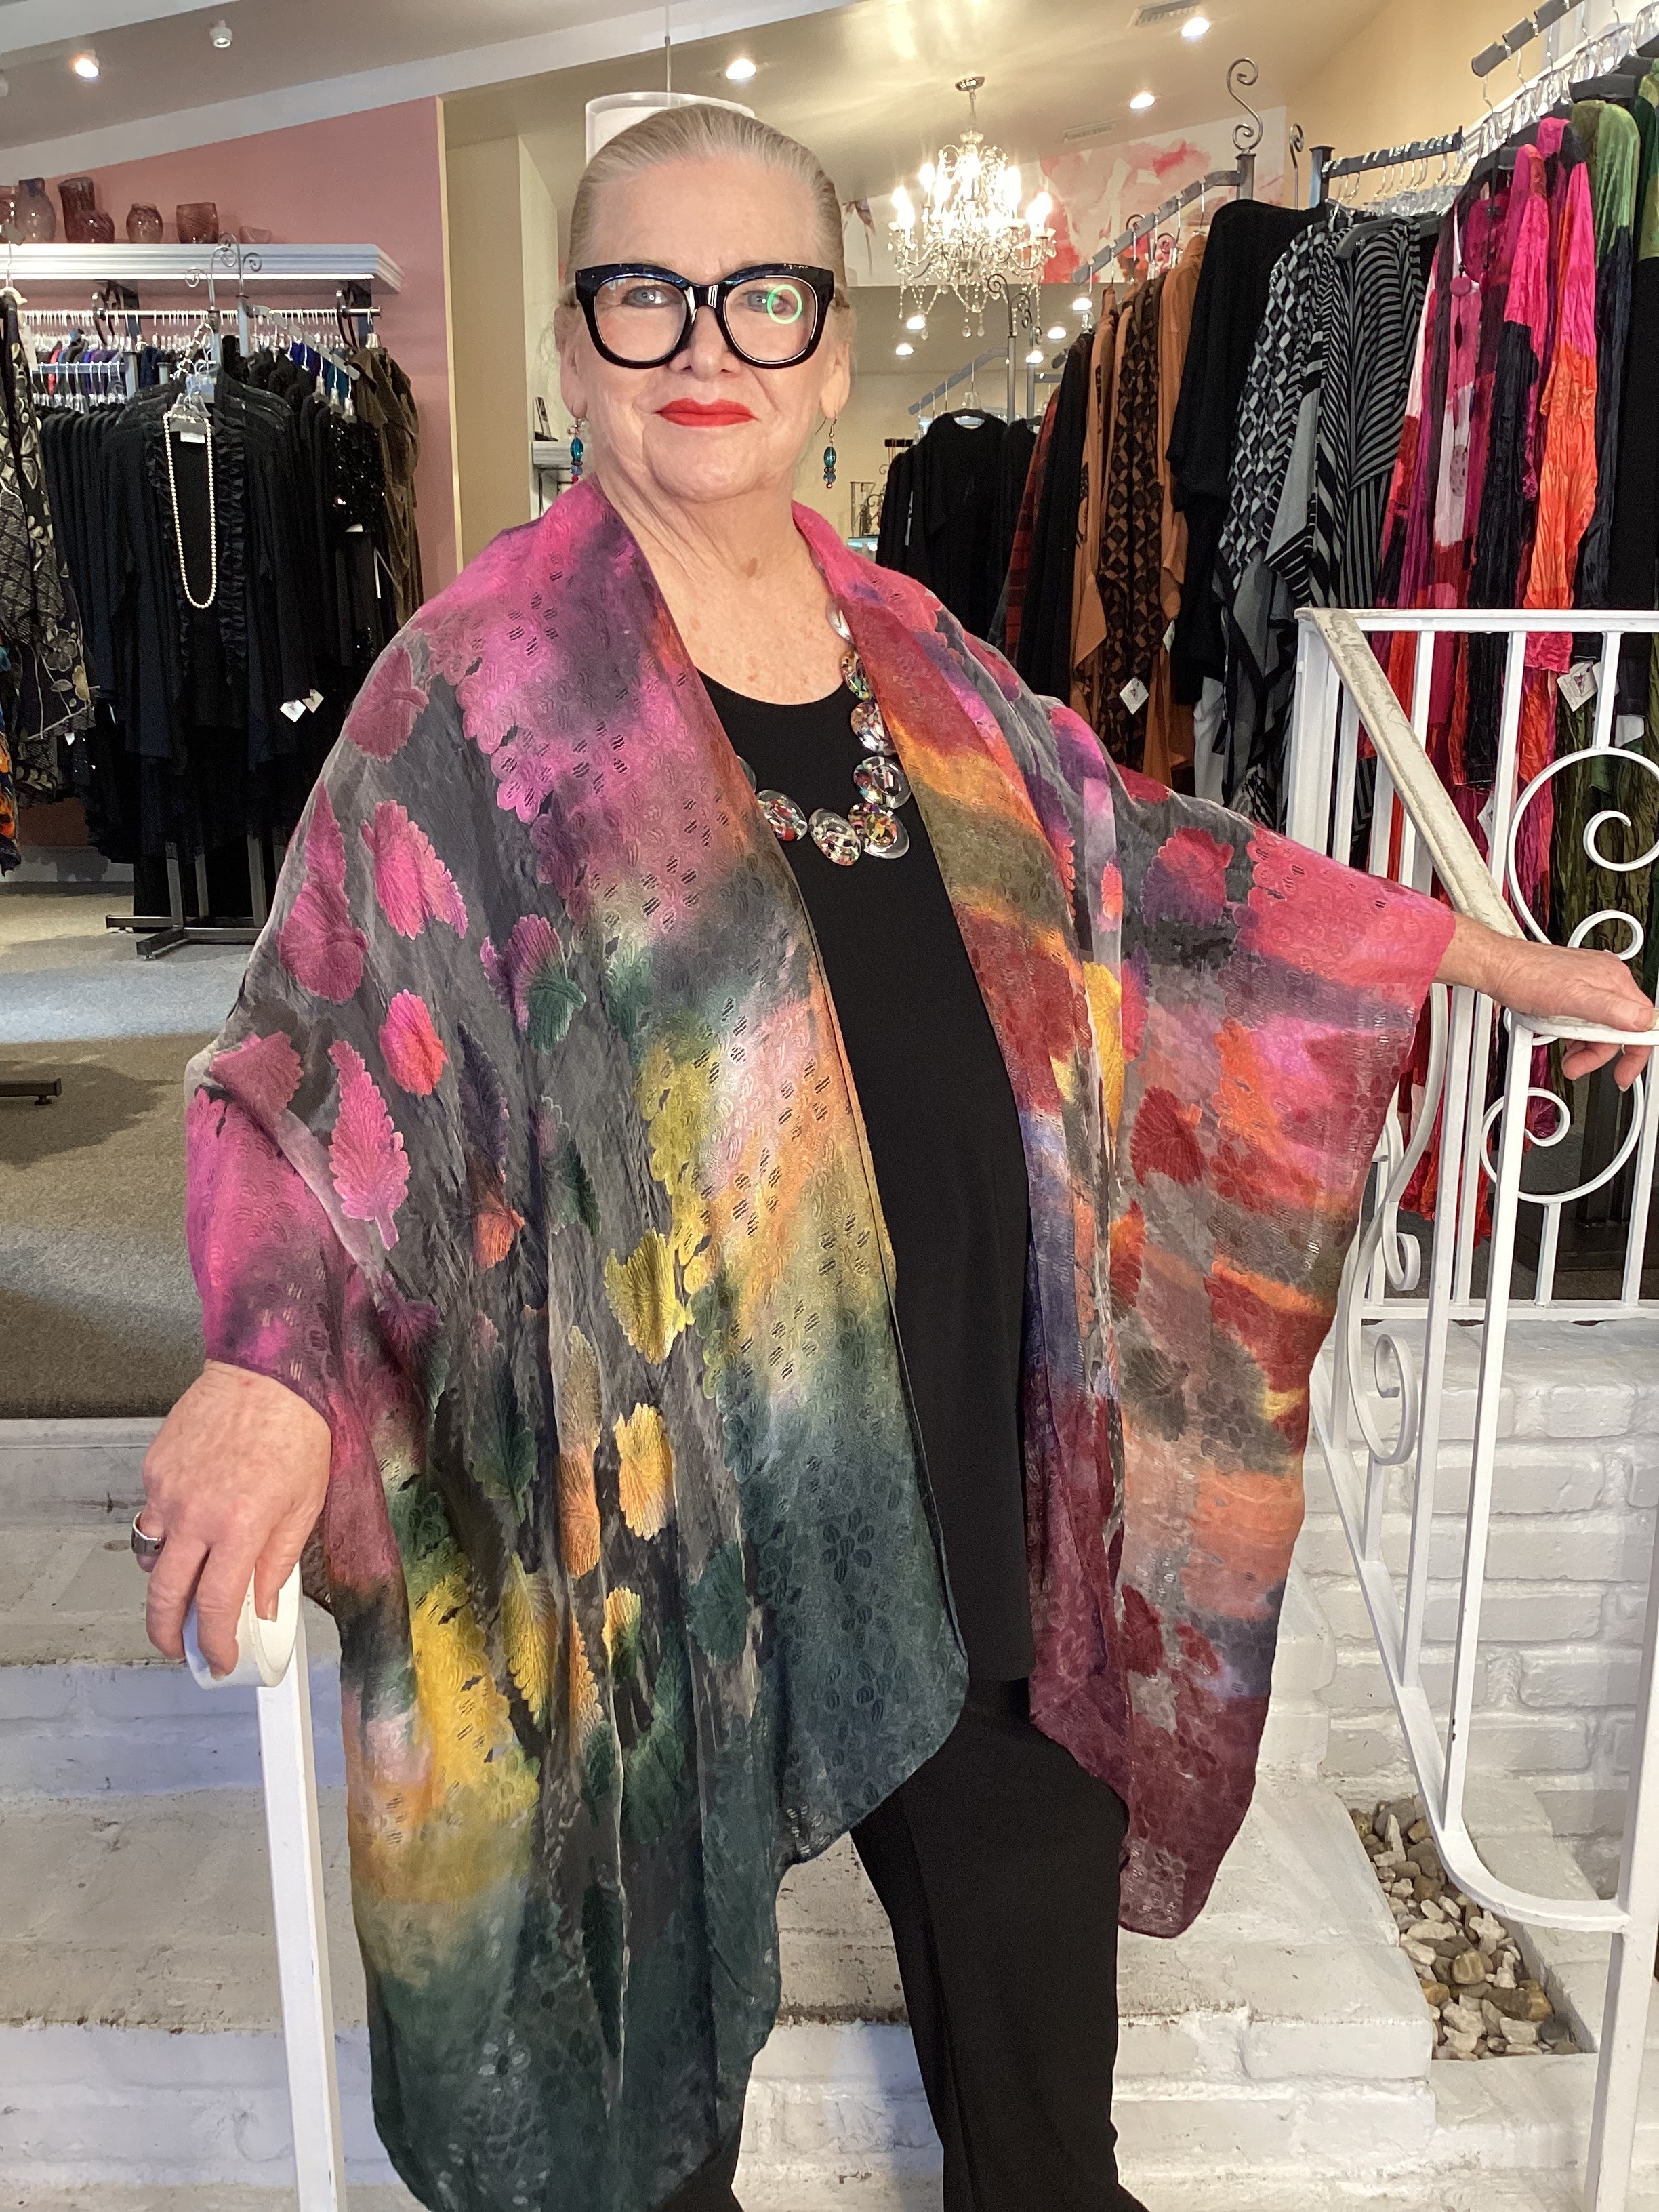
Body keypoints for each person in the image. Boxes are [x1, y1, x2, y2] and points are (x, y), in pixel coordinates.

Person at [137, 104, 1655, 2212]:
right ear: (576, 348)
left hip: (977, 1487)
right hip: (665, 1546)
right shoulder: (470, 701)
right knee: (646, 2135)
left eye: (763, 296)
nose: (707, 343)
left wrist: (1468, 950)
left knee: (1045, 2143)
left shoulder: (921, 657)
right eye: (645, 294)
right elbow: (314, 1062)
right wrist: (272, 1363)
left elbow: (1142, 861)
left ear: (833, 349)